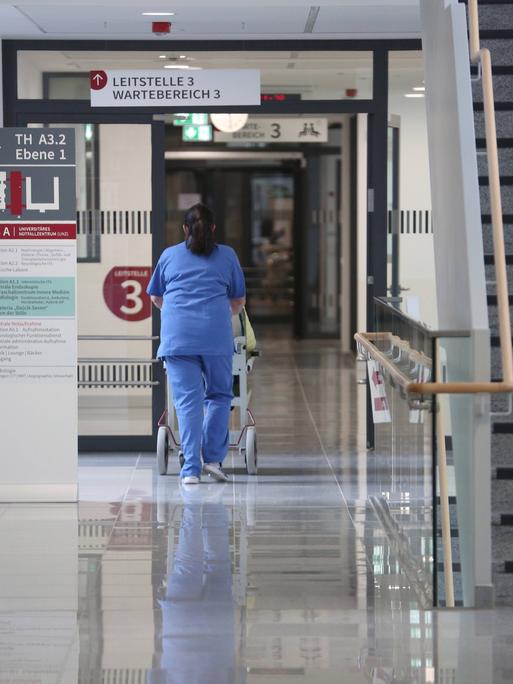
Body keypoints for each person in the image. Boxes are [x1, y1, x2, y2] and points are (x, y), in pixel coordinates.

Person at [147, 203, 246, 485]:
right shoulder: (227, 256)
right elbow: (238, 301)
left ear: (184, 229)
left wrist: (178, 313)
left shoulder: (169, 255)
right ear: (214, 229)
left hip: (177, 338)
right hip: (215, 336)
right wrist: (214, 314)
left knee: (188, 403)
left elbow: (156, 297)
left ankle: (190, 469)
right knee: (218, 396)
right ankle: (213, 460)